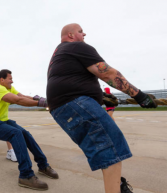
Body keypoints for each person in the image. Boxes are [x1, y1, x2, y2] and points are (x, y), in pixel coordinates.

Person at [47, 23, 157, 193]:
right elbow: (108, 74)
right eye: (80, 31)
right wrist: (139, 95)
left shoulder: (59, 55)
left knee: (104, 148)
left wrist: (101, 99)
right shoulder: (77, 46)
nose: (84, 34)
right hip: (76, 103)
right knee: (113, 148)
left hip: (62, 109)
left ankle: (117, 185)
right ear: (70, 35)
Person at [0, 69, 58, 190]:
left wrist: (40, 99)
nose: (12, 80)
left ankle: (43, 166)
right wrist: (42, 104)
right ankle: (26, 175)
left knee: (25, 134)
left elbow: (21, 96)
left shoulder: (8, 88)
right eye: (10, 78)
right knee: (16, 133)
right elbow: (18, 100)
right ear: (2, 80)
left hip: (2, 121)